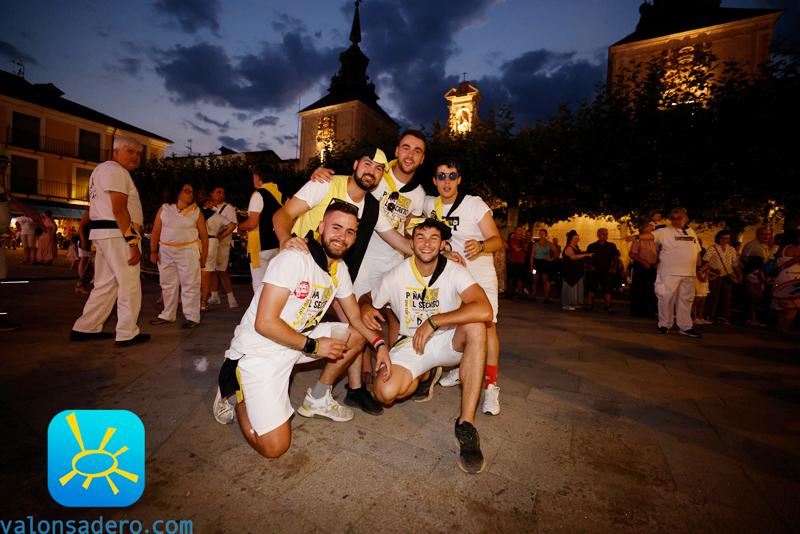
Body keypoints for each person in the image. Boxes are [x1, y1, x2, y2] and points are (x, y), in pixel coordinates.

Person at [224, 202, 391, 459]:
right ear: (321, 227)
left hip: (297, 342)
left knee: (354, 335)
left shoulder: (339, 269)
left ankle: (319, 398)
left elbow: (356, 319)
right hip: (260, 351)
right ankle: (238, 396)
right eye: (336, 227)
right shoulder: (294, 259)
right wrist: (314, 345)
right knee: (275, 447)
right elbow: (264, 323)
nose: (342, 236)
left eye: (349, 231)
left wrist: (380, 346)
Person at [272, 146, 411, 416]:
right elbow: (282, 215)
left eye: (379, 168)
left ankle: (340, 392)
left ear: (382, 175)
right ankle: (244, 382)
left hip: (334, 277)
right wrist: (285, 240)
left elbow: (399, 240)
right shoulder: (324, 184)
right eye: (368, 164)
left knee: (354, 328)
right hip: (298, 272)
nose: (372, 171)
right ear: (357, 163)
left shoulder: (372, 207)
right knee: (280, 335)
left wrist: (435, 248)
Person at [360, 219, 492, 473]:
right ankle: (424, 375)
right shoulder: (398, 273)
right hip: (411, 342)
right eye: (420, 237)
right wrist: (366, 305)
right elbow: (368, 297)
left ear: (443, 244)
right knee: (385, 394)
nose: (427, 243)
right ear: (411, 242)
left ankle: (466, 425)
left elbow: (484, 308)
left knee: (476, 326)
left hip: (446, 338)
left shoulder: (454, 271)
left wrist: (435, 321)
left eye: (433, 238)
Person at [309, 130, 429, 401]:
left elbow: (406, 235)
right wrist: (320, 175)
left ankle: (391, 373)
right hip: (360, 263)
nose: (410, 154)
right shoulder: (375, 174)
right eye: (406, 148)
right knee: (359, 323)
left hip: (393, 264)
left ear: (422, 159)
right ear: (396, 151)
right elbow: (344, 187)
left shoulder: (419, 195)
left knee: (393, 321)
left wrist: (437, 251)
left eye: (417, 151)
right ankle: (358, 381)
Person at [423, 158, 504, 415]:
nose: (447, 181)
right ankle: (462, 368)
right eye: (442, 176)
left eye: (452, 176)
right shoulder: (428, 204)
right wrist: (445, 249)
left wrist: (480, 246)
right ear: (434, 181)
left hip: (479, 273)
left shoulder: (474, 203)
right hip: (453, 275)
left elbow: (496, 240)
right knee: (458, 324)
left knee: (487, 328)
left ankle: (491, 386)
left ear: (460, 179)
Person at [70, 136, 150, 346]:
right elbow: (119, 209)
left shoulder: (101, 170)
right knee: (129, 284)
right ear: (115, 152)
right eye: (130, 151)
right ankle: (127, 332)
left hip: (105, 235)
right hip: (118, 235)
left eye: (138, 153)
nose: (135, 156)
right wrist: (133, 242)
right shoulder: (116, 171)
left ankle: (85, 327)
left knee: (105, 284)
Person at [149, 182, 208, 329]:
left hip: (188, 251)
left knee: (190, 284)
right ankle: (167, 314)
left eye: (191, 191)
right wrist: (153, 250)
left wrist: (205, 255)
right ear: (178, 193)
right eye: (186, 191)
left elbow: (204, 236)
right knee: (167, 284)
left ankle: (192, 317)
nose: (190, 194)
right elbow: (156, 231)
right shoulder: (165, 209)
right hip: (166, 251)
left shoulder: (196, 211)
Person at [652, 207, 702, 338]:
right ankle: (664, 325)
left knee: (686, 300)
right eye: (673, 218)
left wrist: (699, 268)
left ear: (685, 218)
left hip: (688, 273)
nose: (675, 220)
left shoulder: (691, 232)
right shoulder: (664, 231)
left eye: (678, 218)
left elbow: (697, 251)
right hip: (669, 272)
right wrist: (636, 236)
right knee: (665, 298)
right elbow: (650, 236)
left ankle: (685, 327)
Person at [238, 163, 285, 294]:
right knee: (273, 286)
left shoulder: (259, 194)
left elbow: (252, 223)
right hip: (277, 246)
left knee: (259, 288)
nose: (253, 180)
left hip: (260, 248)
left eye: (254, 176)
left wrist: (240, 227)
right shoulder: (280, 195)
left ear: (258, 177)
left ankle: (260, 313)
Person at [200, 187, 237, 311]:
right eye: (218, 192)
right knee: (212, 271)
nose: (221, 194)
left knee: (221, 271)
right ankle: (214, 296)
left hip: (221, 244)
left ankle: (231, 299)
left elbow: (232, 225)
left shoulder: (228, 208)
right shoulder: (211, 210)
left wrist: (220, 237)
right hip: (213, 242)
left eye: (223, 192)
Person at [702, 229, 741, 325]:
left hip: (728, 275)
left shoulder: (731, 249)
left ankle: (723, 316)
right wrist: (713, 269)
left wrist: (739, 273)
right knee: (713, 296)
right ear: (718, 238)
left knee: (726, 297)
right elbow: (705, 262)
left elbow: (734, 263)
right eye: (723, 238)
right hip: (715, 276)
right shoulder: (712, 248)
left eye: (727, 238)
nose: (725, 240)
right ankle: (709, 315)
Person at [771, 228, 800, 334]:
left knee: (781, 305)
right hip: (792, 279)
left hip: (780, 277)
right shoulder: (797, 249)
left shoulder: (781, 249)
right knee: (792, 306)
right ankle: (786, 328)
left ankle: (780, 326)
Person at [741, 227, 772, 327]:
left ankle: (752, 318)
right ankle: (750, 318)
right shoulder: (752, 245)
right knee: (752, 298)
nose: (766, 236)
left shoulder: (766, 246)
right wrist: (753, 270)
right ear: (757, 234)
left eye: (768, 234)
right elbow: (743, 258)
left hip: (762, 274)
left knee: (757, 298)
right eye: (764, 234)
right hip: (753, 275)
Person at [584, 228, 620, 313]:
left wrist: (614, 267)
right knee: (591, 288)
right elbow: (587, 258)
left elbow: (615, 257)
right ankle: (589, 304)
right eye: (603, 234)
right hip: (594, 270)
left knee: (608, 288)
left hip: (607, 270)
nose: (606, 235)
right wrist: (590, 266)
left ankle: (608, 305)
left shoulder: (611, 246)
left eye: (606, 234)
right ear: (598, 235)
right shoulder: (592, 246)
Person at [629, 221, 658, 317]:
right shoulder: (638, 239)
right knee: (640, 288)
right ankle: (638, 310)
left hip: (653, 267)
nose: (653, 229)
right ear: (645, 228)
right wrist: (643, 262)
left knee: (651, 289)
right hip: (641, 266)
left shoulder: (655, 240)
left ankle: (650, 310)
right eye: (651, 227)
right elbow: (632, 254)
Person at [561, 230, 592, 310]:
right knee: (570, 287)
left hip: (577, 272)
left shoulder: (576, 247)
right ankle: (567, 304)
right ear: (571, 239)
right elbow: (573, 257)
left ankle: (574, 303)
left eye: (578, 238)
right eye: (575, 238)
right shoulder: (568, 247)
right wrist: (586, 254)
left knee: (577, 288)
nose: (577, 240)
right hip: (570, 272)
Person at [530, 229, 556, 302]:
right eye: (540, 234)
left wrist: (552, 258)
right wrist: (531, 267)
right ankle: (533, 295)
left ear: (546, 235)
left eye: (543, 234)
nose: (542, 235)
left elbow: (556, 252)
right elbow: (532, 256)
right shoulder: (535, 245)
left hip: (545, 263)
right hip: (536, 264)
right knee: (534, 280)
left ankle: (546, 297)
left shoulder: (549, 244)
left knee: (545, 280)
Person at [506, 226, 527, 297]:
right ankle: (509, 293)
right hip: (513, 261)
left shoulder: (524, 240)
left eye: (521, 230)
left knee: (520, 278)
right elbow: (516, 249)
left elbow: (526, 249)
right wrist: (523, 248)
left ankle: (521, 293)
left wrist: (523, 248)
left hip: (521, 262)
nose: (520, 232)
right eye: (518, 230)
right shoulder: (512, 240)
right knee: (511, 277)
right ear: (515, 231)